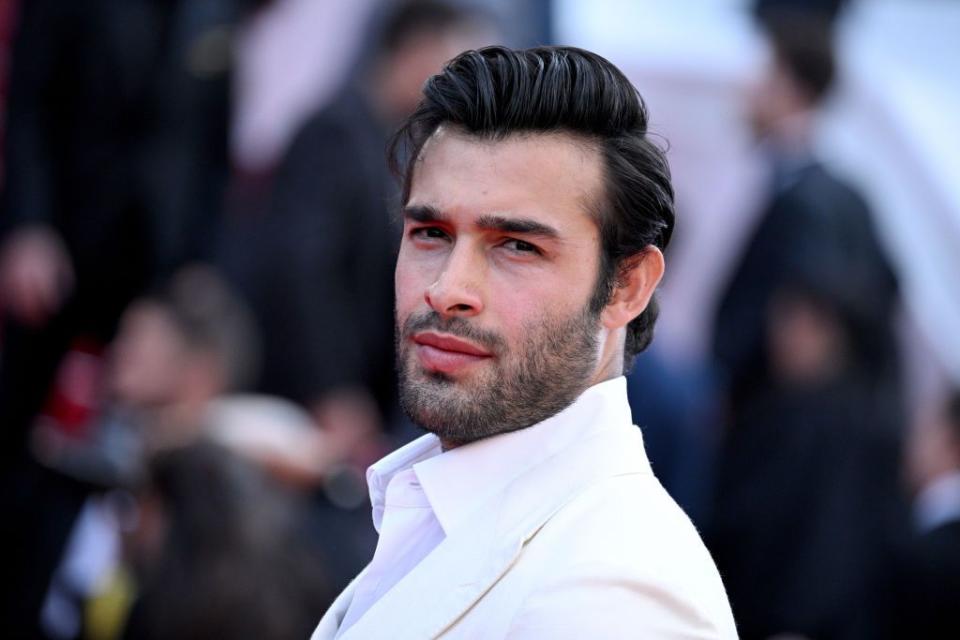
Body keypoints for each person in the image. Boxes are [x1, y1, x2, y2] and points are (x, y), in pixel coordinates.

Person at [311, 45, 737, 639]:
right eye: (431, 233)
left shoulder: (618, 596)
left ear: (627, 286)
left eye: (518, 246)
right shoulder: (435, 509)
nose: (447, 289)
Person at [706, 9, 905, 640]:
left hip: (792, 483)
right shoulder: (844, 192)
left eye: (761, 73)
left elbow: (818, 307)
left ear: (790, 85)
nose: (747, 89)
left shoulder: (812, 198)